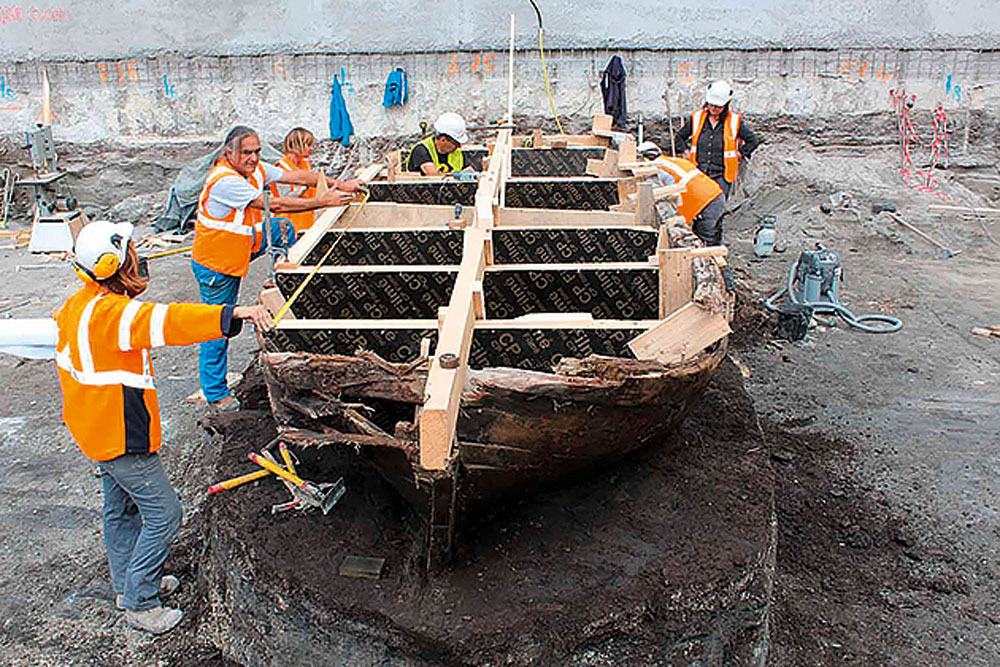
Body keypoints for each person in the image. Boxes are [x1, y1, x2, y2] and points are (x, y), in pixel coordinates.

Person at [55, 220, 273, 635]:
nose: (139, 256)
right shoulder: (115, 315)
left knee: (120, 511)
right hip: (123, 435)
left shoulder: (76, 307)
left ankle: (129, 585)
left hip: (95, 431)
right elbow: (171, 322)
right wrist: (232, 314)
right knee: (164, 514)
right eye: (132, 250)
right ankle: (140, 602)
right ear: (114, 263)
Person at [192, 125, 363, 410]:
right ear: (228, 153)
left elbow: (300, 175)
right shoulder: (223, 180)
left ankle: (283, 282)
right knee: (218, 326)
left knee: (281, 229)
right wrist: (323, 201)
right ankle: (216, 393)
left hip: (240, 246)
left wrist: (339, 184)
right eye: (246, 152)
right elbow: (276, 203)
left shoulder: (254, 169)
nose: (253, 157)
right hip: (216, 264)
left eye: (257, 151)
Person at [639, 141, 733, 290]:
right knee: (713, 241)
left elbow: (671, 194)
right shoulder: (673, 161)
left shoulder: (657, 168)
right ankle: (724, 283)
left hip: (704, 205)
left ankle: (725, 286)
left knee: (707, 247)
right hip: (715, 197)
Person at [672, 80, 760, 199]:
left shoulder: (734, 121)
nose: (714, 108)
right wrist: (685, 151)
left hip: (722, 174)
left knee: (717, 206)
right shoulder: (697, 118)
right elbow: (679, 137)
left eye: (718, 106)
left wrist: (740, 153)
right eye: (711, 105)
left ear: (725, 105)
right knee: (699, 205)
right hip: (699, 172)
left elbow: (753, 140)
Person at [270, 127, 337, 234]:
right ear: (298, 145)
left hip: (307, 220)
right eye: (308, 145)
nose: (311, 148)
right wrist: (306, 184)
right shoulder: (281, 168)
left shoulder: (305, 164)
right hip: (289, 223)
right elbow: (285, 199)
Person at [406, 112, 471, 175]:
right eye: (456, 143)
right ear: (443, 140)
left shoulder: (457, 152)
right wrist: (457, 176)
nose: (459, 147)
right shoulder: (421, 150)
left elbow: (470, 171)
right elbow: (432, 175)